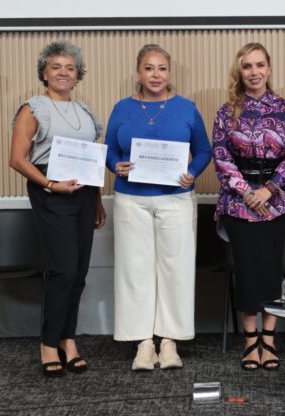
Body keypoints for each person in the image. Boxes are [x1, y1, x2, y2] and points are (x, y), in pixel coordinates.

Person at [105, 44, 212, 371]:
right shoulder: (121, 108)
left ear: (169, 72)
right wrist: (116, 166)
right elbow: (108, 151)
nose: (156, 75)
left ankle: (169, 341)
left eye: (162, 68)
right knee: (134, 272)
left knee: (175, 270)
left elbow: (204, 151)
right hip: (131, 200)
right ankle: (143, 343)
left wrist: (192, 173)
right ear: (138, 72)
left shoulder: (186, 108)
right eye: (149, 68)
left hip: (175, 200)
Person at [9, 41, 106, 377]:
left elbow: (91, 161)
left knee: (78, 273)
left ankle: (68, 339)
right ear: (44, 73)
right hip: (51, 191)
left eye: (69, 67)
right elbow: (17, 159)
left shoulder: (85, 112)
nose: (63, 72)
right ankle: (48, 344)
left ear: (78, 75)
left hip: (83, 193)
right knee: (62, 270)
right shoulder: (34, 108)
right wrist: (51, 185)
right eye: (56, 67)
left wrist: (96, 201)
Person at [212, 43, 285, 371]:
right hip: (238, 204)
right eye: (247, 66)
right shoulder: (226, 112)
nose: (254, 72)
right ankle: (251, 342)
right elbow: (221, 157)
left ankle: (270, 339)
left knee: (270, 270)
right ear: (240, 71)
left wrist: (268, 190)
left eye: (259, 65)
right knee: (247, 272)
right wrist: (248, 194)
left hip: (277, 201)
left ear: (269, 68)